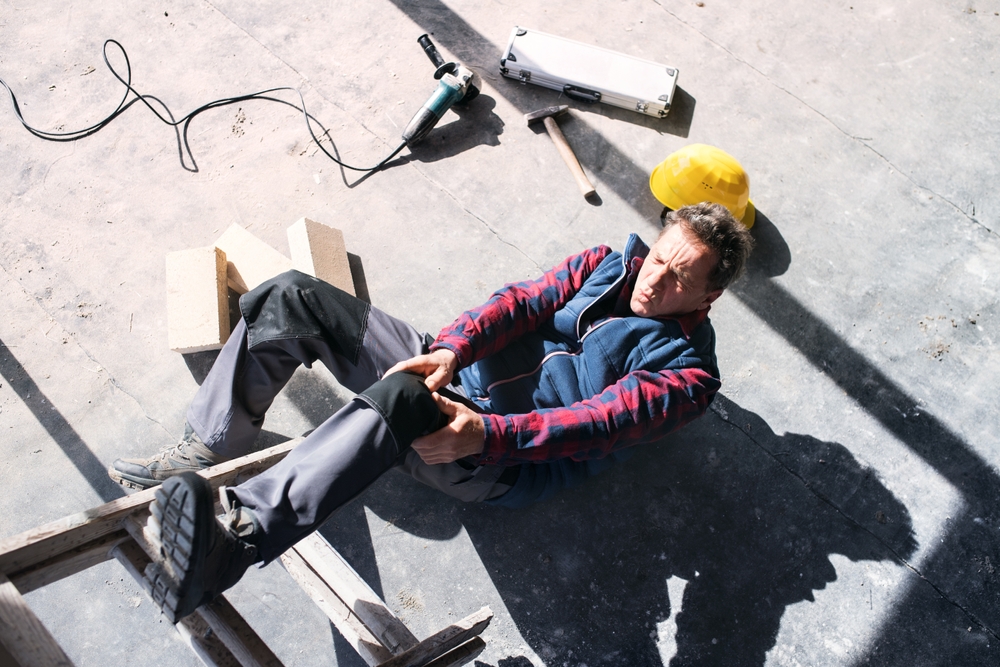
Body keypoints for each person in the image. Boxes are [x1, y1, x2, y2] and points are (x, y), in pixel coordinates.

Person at [112, 202, 754, 623]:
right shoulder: (609, 264)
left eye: (678, 277)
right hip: (461, 380)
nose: (654, 278)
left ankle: (235, 543)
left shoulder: (688, 377)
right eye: (659, 258)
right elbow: (520, 303)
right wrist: (450, 348)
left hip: (500, 455)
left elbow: (595, 425)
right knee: (293, 296)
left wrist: (485, 435)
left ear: (711, 295)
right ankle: (213, 438)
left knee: (401, 400)